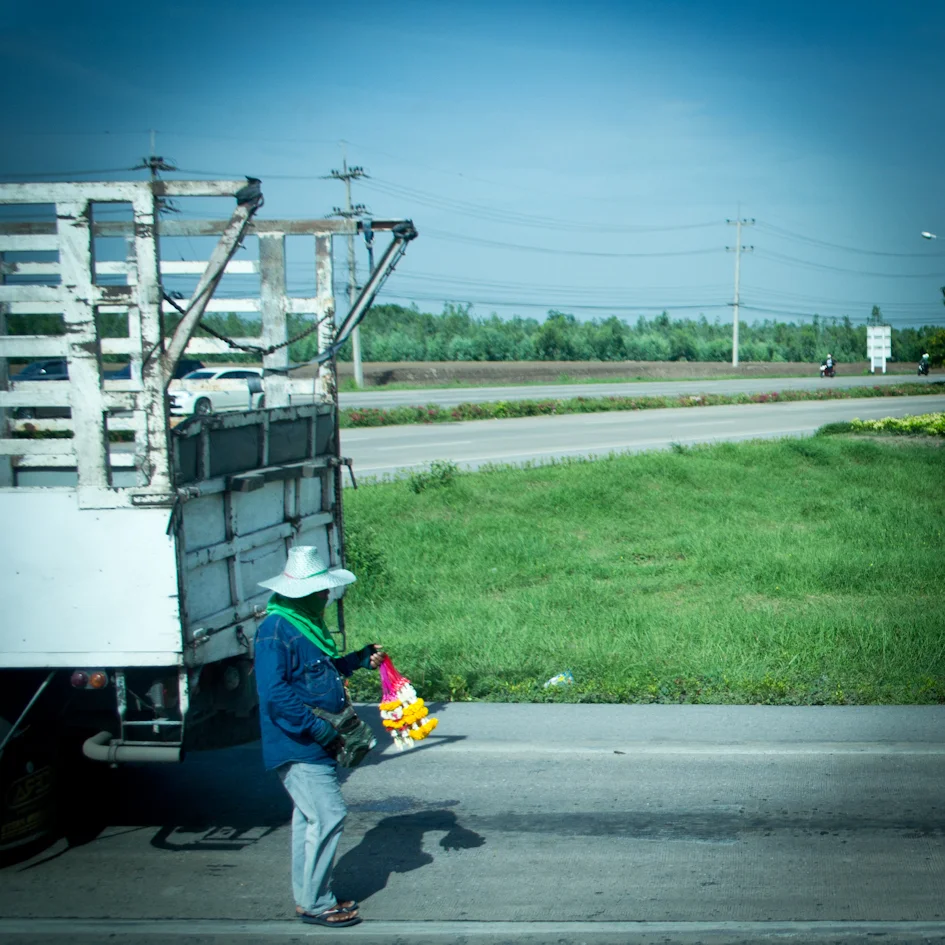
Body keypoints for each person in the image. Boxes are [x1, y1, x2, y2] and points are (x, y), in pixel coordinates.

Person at [254, 545, 383, 928]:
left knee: (309, 820)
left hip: (313, 742)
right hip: (299, 744)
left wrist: (358, 659)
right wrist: (320, 730)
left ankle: (308, 897)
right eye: (321, 590)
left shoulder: (305, 625)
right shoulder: (274, 631)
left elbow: (321, 673)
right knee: (329, 815)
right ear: (302, 593)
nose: (327, 595)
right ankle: (315, 903)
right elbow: (274, 692)